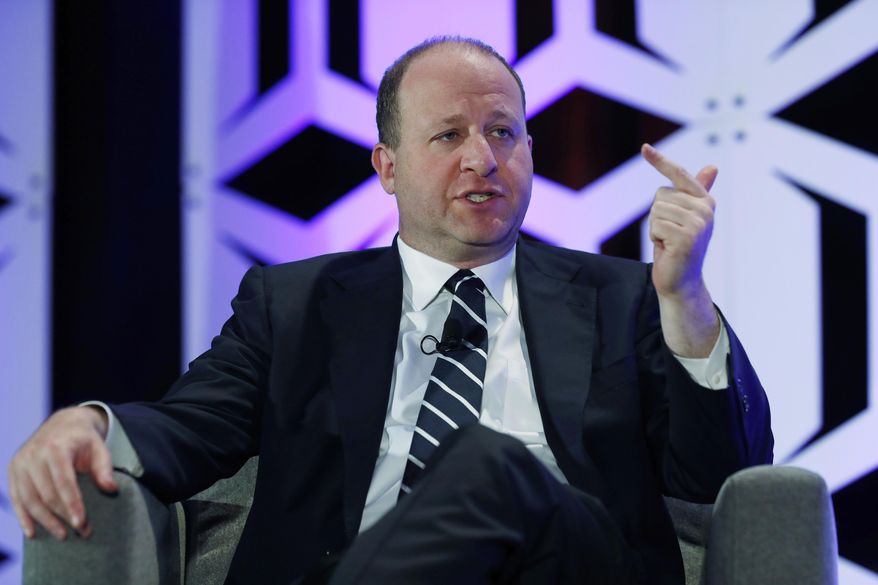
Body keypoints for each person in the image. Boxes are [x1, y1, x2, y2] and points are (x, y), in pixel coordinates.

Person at [8, 37, 772, 584]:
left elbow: (719, 475)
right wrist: (91, 425)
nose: (482, 158)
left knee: (488, 465)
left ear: (531, 152)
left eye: (503, 132)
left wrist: (686, 298)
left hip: (563, 563)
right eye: (449, 135)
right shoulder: (293, 304)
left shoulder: (626, 296)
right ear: (387, 166)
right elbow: (191, 425)